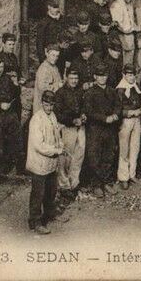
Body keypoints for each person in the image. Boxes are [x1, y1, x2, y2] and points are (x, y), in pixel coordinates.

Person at [26, 90, 65, 234]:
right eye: (47, 105)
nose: (49, 107)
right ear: (42, 103)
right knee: (38, 193)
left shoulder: (52, 116)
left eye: (52, 105)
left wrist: (60, 144)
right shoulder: (37, 119)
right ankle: (35, 221)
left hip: (50, 163)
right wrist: (56, 151)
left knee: (51, 191)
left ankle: (49, 215)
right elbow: (39, 145)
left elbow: (56, 134)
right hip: (39, 163)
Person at [83, 63, 122, 198]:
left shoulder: (112, 91)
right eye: (99, 76)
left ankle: (105, 181)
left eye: (104, 76)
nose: (102, 78)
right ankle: (96, 184)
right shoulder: (90, 93)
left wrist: (116, 115)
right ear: (95, 77)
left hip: (110, 130)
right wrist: (105, 118)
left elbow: (118, 105)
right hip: (96, 129)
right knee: (95, 156)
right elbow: (89, 112)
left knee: (108, 155)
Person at [54, 67, 86, 200]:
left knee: (79, 155)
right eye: (71, 78)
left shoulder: (80, 91)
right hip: (68, 128)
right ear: (66, 78)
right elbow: (58, 114)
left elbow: (84, 106)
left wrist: (84, 115)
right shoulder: (60, 93)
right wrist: (72, 120)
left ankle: (74, 183)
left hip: (81, 127)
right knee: (65, 157)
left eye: (76, 78)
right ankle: (63, 185)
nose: (74, 81)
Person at [116, 65, 141, 189]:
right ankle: (123, 177)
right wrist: (131, 113)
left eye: (133, 75)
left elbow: (140, 100)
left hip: (136, 120)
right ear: (124, 75)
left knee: (135, 146)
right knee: (124, 149)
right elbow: (117, 110)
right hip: (126, 122)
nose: (132, 78)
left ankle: (132, 173)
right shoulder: (120, 90)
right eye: (129, 75)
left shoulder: (136, 87)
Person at [0, 32, 25, 121]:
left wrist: (20, 79)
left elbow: (17, 71)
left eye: (13, 44)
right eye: (9, 44)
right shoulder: (0, 60)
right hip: (6, 96)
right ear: (3, 44)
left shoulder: (13, 57)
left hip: (15, 93)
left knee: (17, 116)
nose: (11, 47)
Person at [110, 0, 138, 68]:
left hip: (130, 37)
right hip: (122, 36)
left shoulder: (129, 4)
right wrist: (131, 29)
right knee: (122, 63)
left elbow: (131, 20)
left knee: (129, 62)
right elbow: (118, 25)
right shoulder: (117, 5)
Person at [33, 43, 63, 113]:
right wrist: (58, 85)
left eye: (57, 56)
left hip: (51, 104)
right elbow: (43, 89)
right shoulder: (43, 69)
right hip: (43, 107)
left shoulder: (54, 67)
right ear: (46, 53)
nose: (55, 58)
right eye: (53, 55)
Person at [36, 0, 64, 64]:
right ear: (49, 7)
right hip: (49, 56)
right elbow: (40, 43)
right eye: (54, 7)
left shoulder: (62, 20)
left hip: (61, 55)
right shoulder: (44, 23)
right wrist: (42, 60)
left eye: (57, 7)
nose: (57, 10)